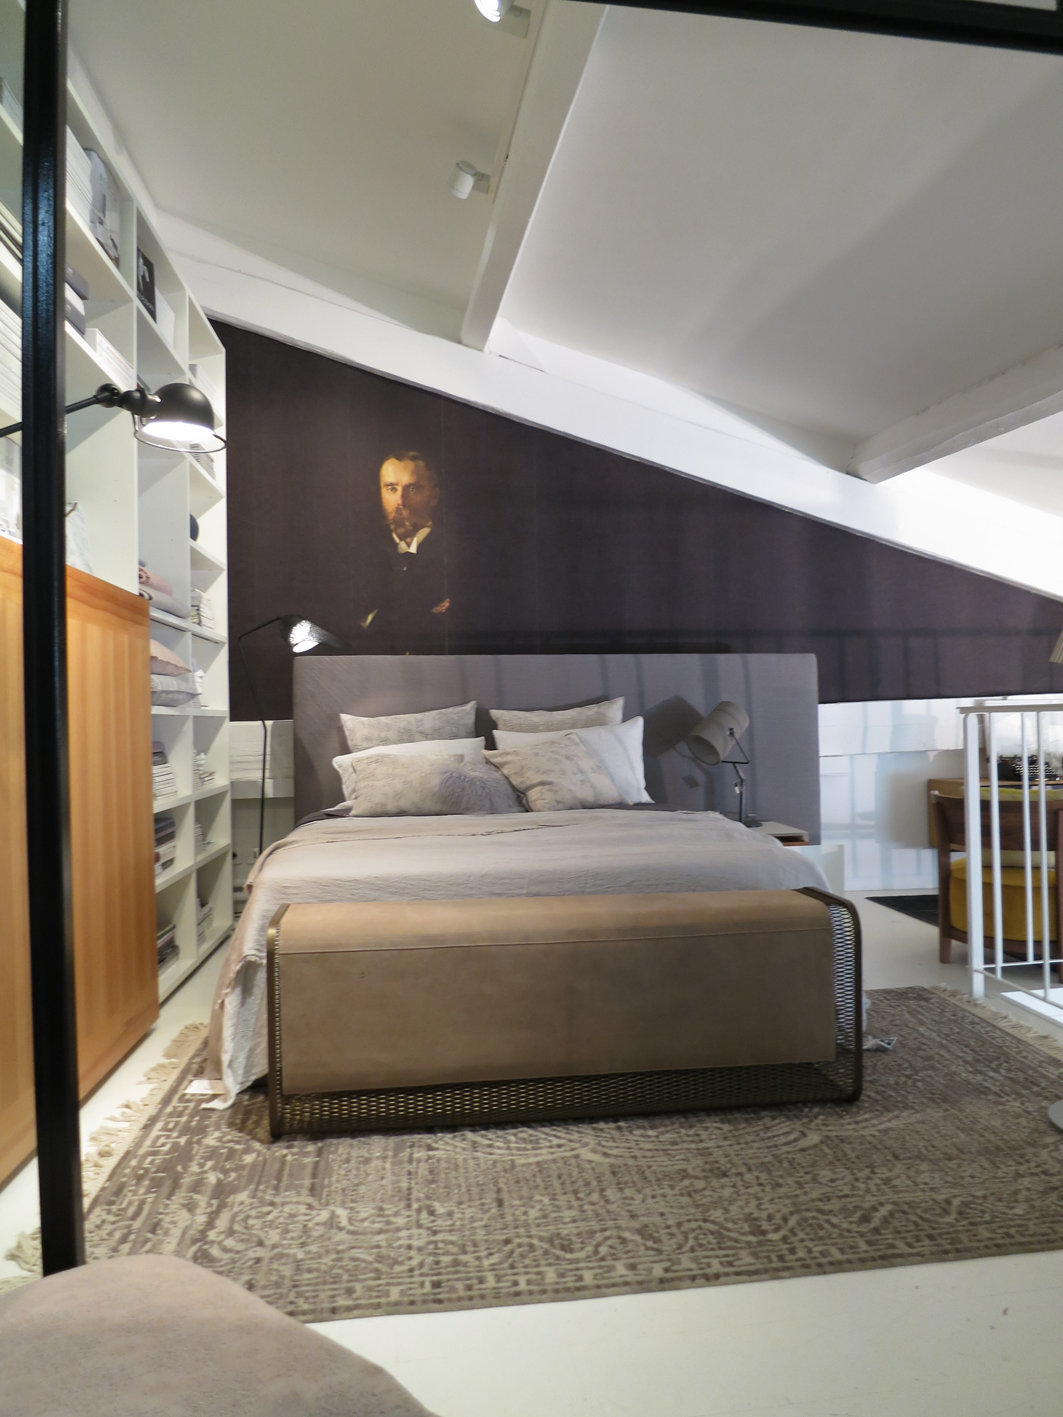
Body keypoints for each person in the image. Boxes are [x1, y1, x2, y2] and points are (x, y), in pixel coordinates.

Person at [359, 451, 450, 643]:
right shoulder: (360, 555)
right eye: (391, 489)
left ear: (434, 496)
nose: (401, 501)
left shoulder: (454, 553)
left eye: (413, 489)